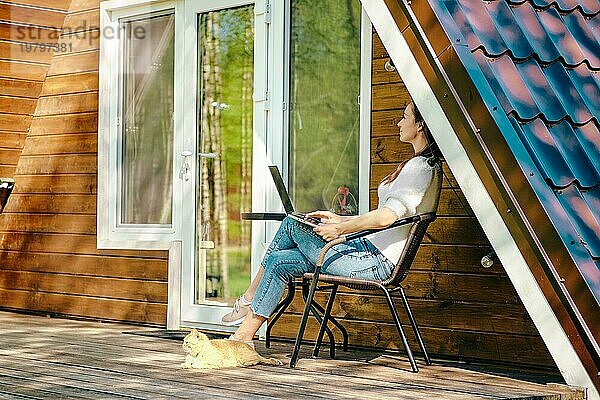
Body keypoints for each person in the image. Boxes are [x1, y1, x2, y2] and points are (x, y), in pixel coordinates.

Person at [221, 101, 442, 348]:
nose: (399, 123)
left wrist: (339, 229)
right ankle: (243, 338)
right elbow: (386, 217)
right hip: (367, 253)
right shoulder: (422, 166)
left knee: (291, 224)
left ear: (420, 124)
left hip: (373, 263)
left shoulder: (420, 168)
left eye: (404, 117)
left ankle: (250, 297)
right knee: (278, 260)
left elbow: (386, 218)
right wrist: (339, 218)